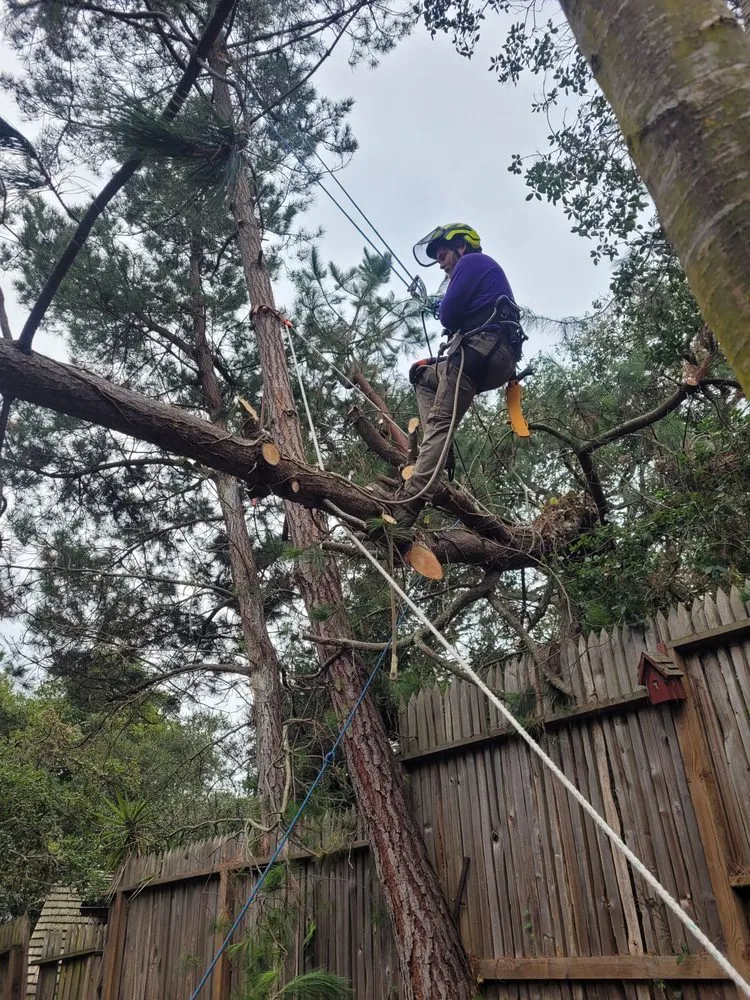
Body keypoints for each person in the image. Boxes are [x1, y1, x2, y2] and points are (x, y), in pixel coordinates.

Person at [374, 223, 525, 528]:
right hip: (495, 359)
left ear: (461, 247)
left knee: (441, 422)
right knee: (422, 374)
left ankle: (406, 508)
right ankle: (442, 449)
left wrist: (439, 308)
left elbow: (448, 314)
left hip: (478, 351)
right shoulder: (483, 274)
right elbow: (458, 313)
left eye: (443, 256)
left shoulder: (471, 262)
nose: (441, 263)